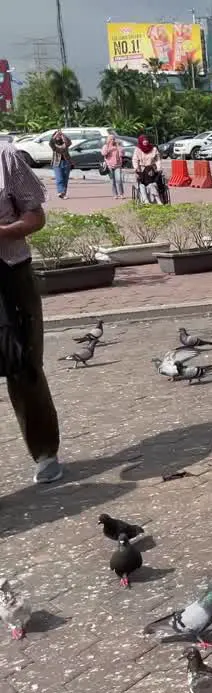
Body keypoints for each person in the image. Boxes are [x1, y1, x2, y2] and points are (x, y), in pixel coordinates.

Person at [0, 141, 65, 483]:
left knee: (23, 363)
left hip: (9, 273)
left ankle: (44, 452)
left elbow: (35, 215)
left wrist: (4, 232)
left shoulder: (5, 156)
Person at [132, 135, 161, 204]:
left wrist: (159, 167)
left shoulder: (154, 149)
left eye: (146, 140)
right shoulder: (137, 149)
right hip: (141, 170)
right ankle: (145, 200)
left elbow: (158, 160)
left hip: (151, 170)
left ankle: (158, 200)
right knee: (142, 185)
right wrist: (136, 168)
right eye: (144, 140)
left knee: (151, 184)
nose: (145, 141)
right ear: (141, 141)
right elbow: (135, 159)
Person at [49, 130, 72, 199]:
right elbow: (50, 143)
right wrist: (55, 136)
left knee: (65, 179)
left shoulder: (65, 144)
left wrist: (62, 135)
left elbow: (69, 142)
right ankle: (60, 192)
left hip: (66, 162)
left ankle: (63, 193)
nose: (58, 137)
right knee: (59, 178)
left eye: (59, 135)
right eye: (56, 136)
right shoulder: (54, 145)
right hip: (56, 163)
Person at [103, 134, 126, 200]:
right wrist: (108, 149)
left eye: (113, 139)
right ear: (108, 140)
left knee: (119, 180)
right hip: (109, 166)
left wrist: (119, 147)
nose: (112, 140)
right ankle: (115, 194)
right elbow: (103, 153)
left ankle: (121, 194)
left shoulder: (117, 146)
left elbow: (122, 154)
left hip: (118, 165)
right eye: (111, 139)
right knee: (112, 181)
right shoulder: (105, 146)